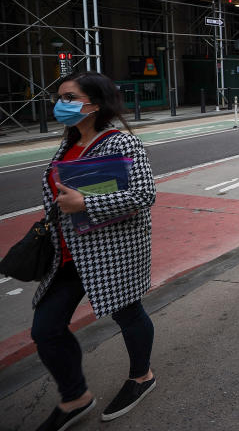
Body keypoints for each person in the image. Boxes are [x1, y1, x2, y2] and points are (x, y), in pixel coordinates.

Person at [31, 71, 158, 430]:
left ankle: (142, 376)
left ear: (95, 104)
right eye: (59, 97)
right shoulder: (69, 141)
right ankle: (75, 398)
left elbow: (144, 195)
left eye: (70, 98)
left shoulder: (122, 143)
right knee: (46, 329)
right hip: (67, 254)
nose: (61, 105)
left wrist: (86, 202)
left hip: (111, 250)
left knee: (128, 313)